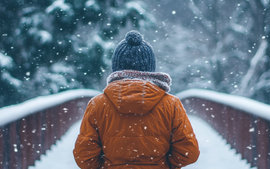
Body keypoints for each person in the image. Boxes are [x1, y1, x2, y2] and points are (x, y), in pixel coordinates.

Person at [73, 30, 199, 169]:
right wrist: (165, 164)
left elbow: (84, 156)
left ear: (116, 68)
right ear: (150, 68)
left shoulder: (97, 104)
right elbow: (189, 152)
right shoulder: (171, 104)